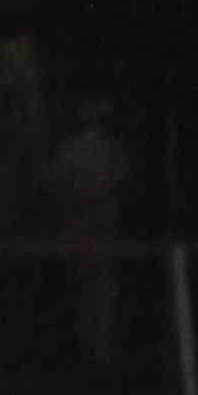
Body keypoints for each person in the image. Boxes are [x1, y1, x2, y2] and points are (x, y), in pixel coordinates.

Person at [50, 100, 131, 371]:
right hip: (94, 229)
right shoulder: (107, 150)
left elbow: (57, 184)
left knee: (84, 290)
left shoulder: (82, 150)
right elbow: (120, 182)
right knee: (97, 291)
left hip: (86, 228)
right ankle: (94, 351)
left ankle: (87, 350)